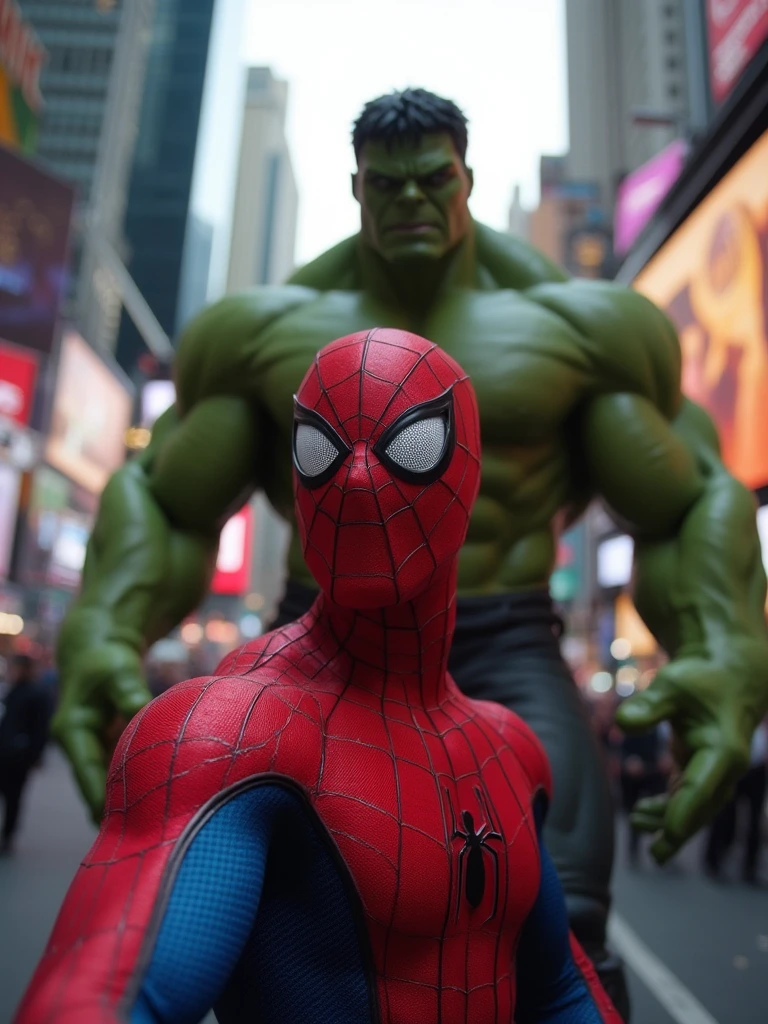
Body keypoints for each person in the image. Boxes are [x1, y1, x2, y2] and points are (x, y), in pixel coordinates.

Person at [51, 89, 768, 1016]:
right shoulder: (264, 332)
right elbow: (163, 497)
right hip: (318, 640)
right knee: (265, 920)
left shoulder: (580, 329)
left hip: (505, 638)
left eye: (434, 181)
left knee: (569, 920)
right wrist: (101, 631)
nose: (412, 203)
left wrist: (728, 649)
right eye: (387, 186)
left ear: (466, 177)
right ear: (357, 188)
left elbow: (689, 499)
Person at [17, 331, 621, 1023]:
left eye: (412, 447)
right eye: (320, 449)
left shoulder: (508, 751)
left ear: (470, 472)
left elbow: (560, 994)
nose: (356, 479)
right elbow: (103, 997)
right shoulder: (231, 734)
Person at [703, 718, 768, 885]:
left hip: (757, 771)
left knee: (754, 822)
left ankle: (750, 868)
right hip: (733, 769)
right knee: (724, 817)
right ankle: (714, 861)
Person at [0, 654, 51, 854]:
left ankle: (8, 836)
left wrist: (34, 755)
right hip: (5, 752)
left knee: (13, 798)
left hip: (17, 757)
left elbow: (40, 729)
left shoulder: (36, 694)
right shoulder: (11, 691)